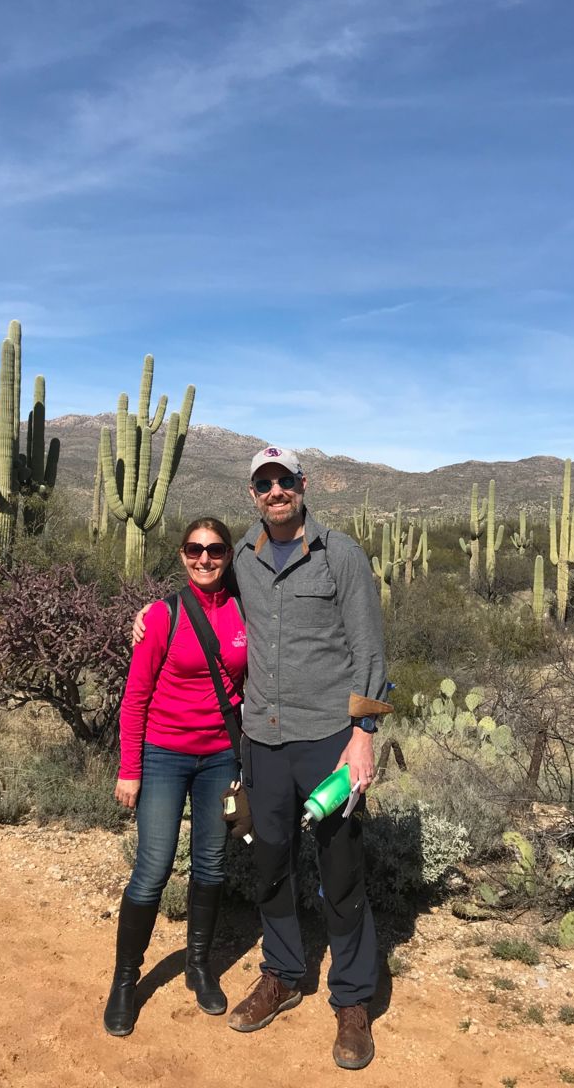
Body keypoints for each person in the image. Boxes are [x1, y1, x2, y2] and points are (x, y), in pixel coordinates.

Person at [134, 448, 390, 1070]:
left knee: (341, 867)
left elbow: (370, 650)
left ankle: (353, 1001)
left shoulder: (341, 554)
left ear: (302, 486)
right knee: (270, 863)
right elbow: (198, 599)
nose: (275, 491)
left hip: (328, 737)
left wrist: (362, 735)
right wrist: (145, 615)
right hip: (262, 742)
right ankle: (282, 973)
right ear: (253, 494)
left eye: (284, 481)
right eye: (263, 483)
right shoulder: (242, 558)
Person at [104, 517, 246, 1038]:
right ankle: (125, 981)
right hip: (164, 756)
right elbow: (135, 697)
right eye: (194, 549)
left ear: (229, 555)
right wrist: (129, 770)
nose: (203, 559)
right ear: (182, 554)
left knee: (211, 864)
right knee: (153, 867)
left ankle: (199, 965)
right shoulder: (163, 615)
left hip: (221, 757)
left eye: (214, 550)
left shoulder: (241, 610)